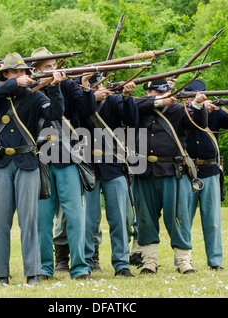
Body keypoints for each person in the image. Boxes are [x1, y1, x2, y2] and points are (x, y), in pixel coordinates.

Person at [0, 52, 65, 286]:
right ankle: (0, 274)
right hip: (0, 162)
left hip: (27, 161)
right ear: (6, 75)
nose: (20, 75)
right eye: (14, 72)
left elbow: (55, 114)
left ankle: (33, 273)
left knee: (29, 221)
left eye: (22, 72)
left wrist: (56, 86)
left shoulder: (35, 95)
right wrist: (14, 84)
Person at [30, 47, 97, 280]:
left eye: (53, 65)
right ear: (36, 69)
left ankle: (80, 267)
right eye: (47, 67)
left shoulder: (67, 85)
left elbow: (87, 110)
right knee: (43, 219)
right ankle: (45, 268)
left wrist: (86, 84)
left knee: (75, 216)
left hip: (68, 157)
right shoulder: (29, 88)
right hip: (41, 160)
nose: (52, 69)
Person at [133, 78, 208, 274]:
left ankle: (184, 261)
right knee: (145, 218)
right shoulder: (140, 107)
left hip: (172, 170)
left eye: (158, 93)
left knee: (177, 217)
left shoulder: (177, 110)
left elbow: (198, 124)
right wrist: (158, 102)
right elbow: (129, 103)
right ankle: (149, 261)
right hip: (143, 170)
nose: (154, 96)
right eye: (152, 93)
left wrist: (198, 105)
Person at [184, 80, 228, 271]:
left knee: (212, 221)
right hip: (187, 171)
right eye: (191, 96)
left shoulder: (214, 111)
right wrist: (198, 107)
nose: (194, 98)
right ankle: (183, 261)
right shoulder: (181, 112)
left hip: (211, 170)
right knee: (184, 220)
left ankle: (215, 261)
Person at [84, 73, 138, 277]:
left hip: (113, 165)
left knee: (119, 219)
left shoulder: (115, 100)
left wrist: (126, 96)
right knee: (88, 220)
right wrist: (91, 98)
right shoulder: (82, 100)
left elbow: (131, 120)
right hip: (88, 166)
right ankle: (87, 262)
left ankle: (122, 264)